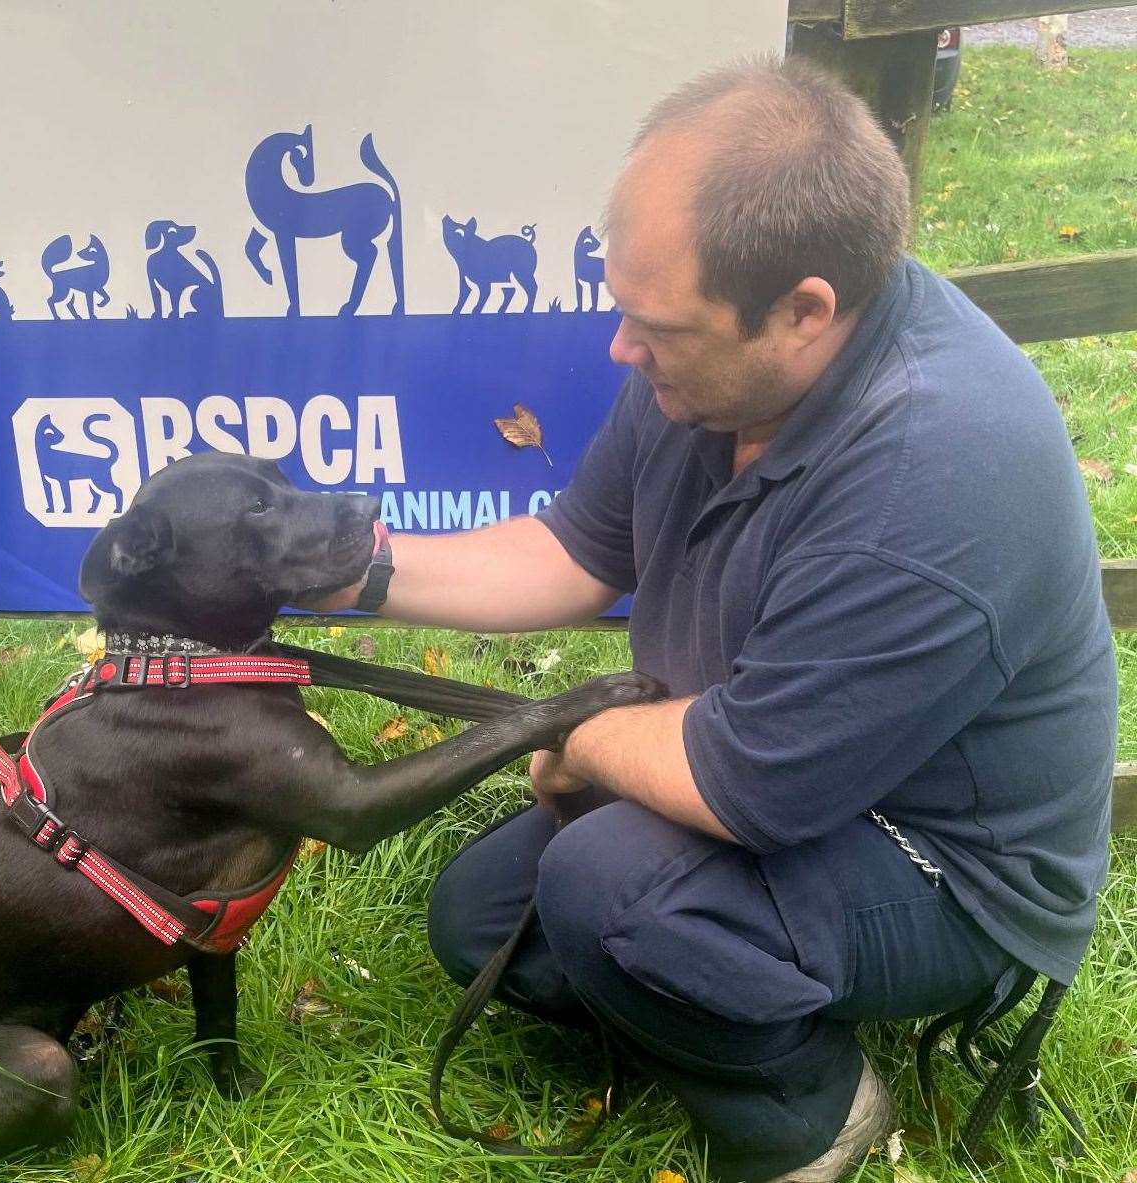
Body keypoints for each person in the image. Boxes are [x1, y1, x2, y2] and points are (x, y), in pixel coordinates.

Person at [303, 56, 1116, 1183]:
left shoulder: (937, 468)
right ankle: (725, 989)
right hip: (770, 752)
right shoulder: (715, 363)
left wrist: (574, 733)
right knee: (482, 919)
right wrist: (352, 571)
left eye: (656, 329)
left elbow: (749, 786)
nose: (621, 353)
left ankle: (816, 1109)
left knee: (604, 889)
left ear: (803, 310)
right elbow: (575, 551)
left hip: (943, 861)